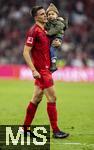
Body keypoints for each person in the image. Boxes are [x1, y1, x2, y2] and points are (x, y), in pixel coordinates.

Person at [20, 5, 69, 138]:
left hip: (47, 69)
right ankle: (56, 131)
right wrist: (33, 70)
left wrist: (57, 43)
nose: (45, 16)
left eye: (45, 13)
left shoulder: (46, 29)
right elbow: (25, 52)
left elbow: (52, 43)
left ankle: (24, 129)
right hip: (42, 71)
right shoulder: (33, 31)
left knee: (36, 99)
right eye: (42, 14)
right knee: (52, 98)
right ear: (36, 17)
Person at [45, 3, 68, 72]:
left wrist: (48, 33)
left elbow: (56, 30)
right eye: (49, 14)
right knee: (48, 50)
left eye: (52, 14)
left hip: (57, 38)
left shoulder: (59, 22)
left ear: (56, 15)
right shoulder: (48, 23)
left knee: (52, 49)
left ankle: (54, 63)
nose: (50, 16)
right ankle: (50, 65)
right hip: (51, 38)